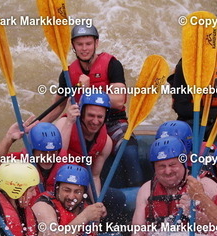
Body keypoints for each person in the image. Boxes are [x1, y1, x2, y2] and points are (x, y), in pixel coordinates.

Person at [42, 24, 143, 187]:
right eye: (79, 44)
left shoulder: (112, 64)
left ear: (96, 43)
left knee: (129, 151)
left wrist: (90, 91)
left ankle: (137, 194)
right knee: (56, 145)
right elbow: (58, 107)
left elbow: (119, 100)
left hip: (112, 122)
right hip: (83, 124)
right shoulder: (67, 73)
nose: (84, 49)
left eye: (88, 44)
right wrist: (36, 126)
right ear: (73, 46)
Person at [130, 137, 217, 236]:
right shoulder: (147, 189)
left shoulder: (205, 185)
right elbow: (138, 234)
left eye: (173, 165)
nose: (168, 171)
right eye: (161, 166)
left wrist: (194, 214)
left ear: (183, 163)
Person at [167, 24, 217, 142]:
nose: (216, 46)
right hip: (192, 121)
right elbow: (180, 107)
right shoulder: (185, 65)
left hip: (216, 122)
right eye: (213, 41)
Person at [33, 164, 107, 236]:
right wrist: (84, 217)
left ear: (84, 193)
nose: (71, 197)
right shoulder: (43, 206)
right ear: (57, 189)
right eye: (66, 190)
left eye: (77, 192)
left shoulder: (89, 211)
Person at [55, 93, 113, 196]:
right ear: (81, 113)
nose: (95, 122)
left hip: (80, 186)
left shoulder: (106, 143)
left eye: (100, 117)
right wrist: (69, 122)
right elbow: (58, 157)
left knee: (118, 197)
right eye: (91, 115)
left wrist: (96, 201)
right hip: (59, 182)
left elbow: (94, 177)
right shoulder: (63, 124)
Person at [0, 121, 64, 194]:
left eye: (53, 152)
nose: (49, 157)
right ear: (32, 150)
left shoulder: (65, 163)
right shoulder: (20, 160)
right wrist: (9, 138)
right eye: (43, 152)